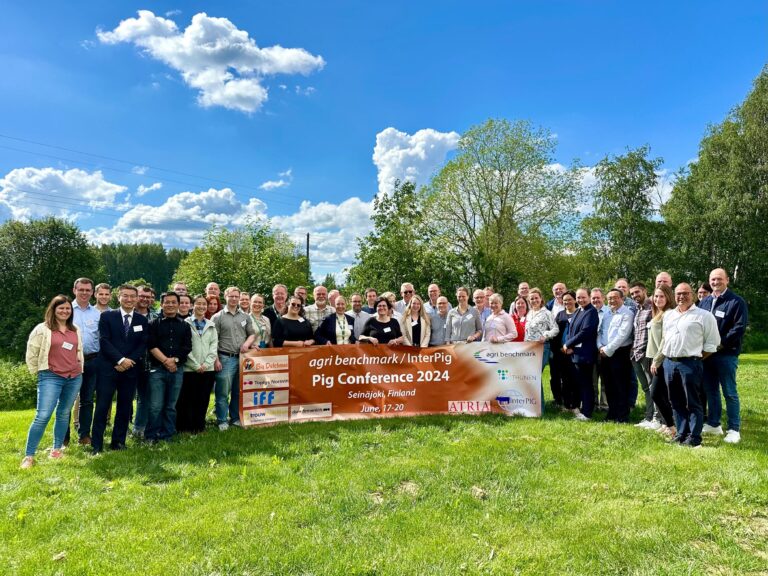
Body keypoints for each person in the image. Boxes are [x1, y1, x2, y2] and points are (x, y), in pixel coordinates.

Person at [20, 295, 84, 468]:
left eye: (68, 308)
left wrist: (79, 367)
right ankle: (29, 456)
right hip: (50, 376)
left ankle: (56, 450)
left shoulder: (75, 329)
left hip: (74, 377)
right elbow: (31, 352)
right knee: (43, 416)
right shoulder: (42, 329)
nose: (65, 311)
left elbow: (78, 351)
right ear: (53, 309)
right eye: (61, 308)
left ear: (71, 311)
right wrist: (39, 371)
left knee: (64, 414)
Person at [660, 283, 720, 447]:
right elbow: (665, 338)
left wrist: (695, 360)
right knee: (676, 401)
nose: (681, 296)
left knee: (692, 402)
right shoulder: (669, 315)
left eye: (685, 293)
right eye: (678, 293)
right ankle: (681, 434)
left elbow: (712, 344)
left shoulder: (704, 316)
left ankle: (694, 438)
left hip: (690, 363)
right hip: (670, 363)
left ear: (692, 295)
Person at [92, 284, 148, 454]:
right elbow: (104, 341)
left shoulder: (142, 320)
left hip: (130, 370)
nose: (129, 299)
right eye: (126, 296)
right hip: (108, 368)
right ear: (119, 297)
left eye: (132, 296)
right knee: (102, 407)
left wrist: (129, 361)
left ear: (137, 298)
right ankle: (97, 445)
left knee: (124, 408)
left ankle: (118, 443)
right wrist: (120, 359)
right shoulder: (107, 317)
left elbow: (142, 344)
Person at [699, 268, 748, 444]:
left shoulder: (736, 301)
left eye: (719, 279)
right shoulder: (704, 302)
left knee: (729, 392)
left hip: (726, 354)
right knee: (711, 391)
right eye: (712, 279)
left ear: (727, 280)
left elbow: (739, 327)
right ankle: (714, 424)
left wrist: (719, 344)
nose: (715, 282)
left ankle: (734, 429)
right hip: (706, 355)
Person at [146, 292, 192, 442]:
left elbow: (187, 347)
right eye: (167, 302)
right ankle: (152, 435)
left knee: (171, 406)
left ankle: (168, 435)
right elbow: (151, 346)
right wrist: (166, 361)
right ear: (162, 304)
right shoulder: (153, 323)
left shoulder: (185, 325)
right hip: (157, 370)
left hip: (177, 370)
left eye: (174, 302)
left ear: (178, 304)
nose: (170, 305)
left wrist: (175, 361)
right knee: (155, 406)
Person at [212, 287, 256, 430]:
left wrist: (247, 344)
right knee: (223, 392)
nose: (234, 299)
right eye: (231, 296)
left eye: (236, 296)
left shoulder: (245, 316)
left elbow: (252, 334)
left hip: (242, 359)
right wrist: (216, 360)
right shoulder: (218, 317)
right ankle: (222, 420)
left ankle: (235, 418)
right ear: (225, 297)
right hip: (225, 358)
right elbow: (213, 341)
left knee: (238, 391)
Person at [176, 295, 218, 433]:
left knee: (203, 398)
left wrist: (206, 364)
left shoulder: (211, 325)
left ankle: (199, 426)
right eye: (198, 304)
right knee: (187, 399)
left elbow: (214, 346)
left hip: (208, 369)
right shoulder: (185, 323)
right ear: (192, 305)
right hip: (189, 368)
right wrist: (195, 365)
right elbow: (184, 347)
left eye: (204, 304)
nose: (201, 307)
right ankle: (185, 427)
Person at [70, 278, 101, 447]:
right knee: (66, 401)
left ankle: (84, 435)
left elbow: (101, 338)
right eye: (81, 289)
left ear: (92, 292)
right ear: (74, 290)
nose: (84, 293)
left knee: (87, 400)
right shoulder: (66, 310)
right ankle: (63, 438)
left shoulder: (97, 314)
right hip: (69, 363)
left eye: (87, 290)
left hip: (92, 361)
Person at [599, 288, 635, 423]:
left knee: (621, 385)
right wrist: (600, 347)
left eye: (615, 298)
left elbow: (623, 334)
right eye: (609, 298)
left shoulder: (627, 313)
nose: (612, 301)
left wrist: (608, 349)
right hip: (604, 352)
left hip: (620, 353)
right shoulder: (607, 313)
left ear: (622, 299)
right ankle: (612, 413)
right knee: (608, 385)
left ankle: (622, 416)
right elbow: (600, 331)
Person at [563, 289, 599, 421]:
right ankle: (583, 410)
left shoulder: (591, 312)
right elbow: (571, 330)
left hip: (585, 354)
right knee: (581, 383)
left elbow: (586, 331)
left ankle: (587, 412)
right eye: (578, 297)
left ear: (589, 297)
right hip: (576, 353)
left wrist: (568, 344)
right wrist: (570, 345)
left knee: (586, 384)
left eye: (583, 297)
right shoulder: (579, 310)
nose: (581, 300)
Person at [647, 285, 676, 437]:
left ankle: (671, 426)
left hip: (662, 359)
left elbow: (666, 340)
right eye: (656, 296)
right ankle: (667, 423)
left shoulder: (669, 314)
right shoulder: (658, 313)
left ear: (668, 298)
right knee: (662, 394)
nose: (658, 299)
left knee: (655, 393)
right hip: (655, 358)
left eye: (662, 296)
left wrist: (656, 361)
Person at [629, 282, 657, 429]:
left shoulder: (653, 306)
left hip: (648, 353)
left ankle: (656, 418)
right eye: (632, 294)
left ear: (644, 291)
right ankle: (649, 416)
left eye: (637, 292)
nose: (634, 296)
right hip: (636, 354)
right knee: (646, 387)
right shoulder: (637, 309)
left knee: (653, 387)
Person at [552, 290, 578, 408]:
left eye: (569, 299)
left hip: (575, 352)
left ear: (575, 300)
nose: (567, 302)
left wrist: (572, 348)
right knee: (564, 379)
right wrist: (559, 348)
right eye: (565, 300)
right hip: (561, 352)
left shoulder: (580, 313)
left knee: (575, 379)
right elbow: (556, 333)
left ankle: (576, 404)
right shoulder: (560, 315)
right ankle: (566, 404)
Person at [524, 288, 558, 372]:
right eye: (532, 299)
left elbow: (555, 329)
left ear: (541, 299)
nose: (534, 300)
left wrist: (545, 335)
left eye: (536, 298)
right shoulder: (529, 313)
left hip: (542, 347)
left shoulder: (547, 313)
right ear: (529, 301)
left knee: (536, 373)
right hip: (529, 347)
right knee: (532, 375)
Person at [592, 288, 610, 411]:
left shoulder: (609, 311)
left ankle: (604, 405)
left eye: (598, 297)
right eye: (593, 298)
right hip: (591, 351)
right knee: (592, 380)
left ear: (603, 298)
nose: (595, 300)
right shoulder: (587, 312)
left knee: (605, 380)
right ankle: (594, 404)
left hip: (604, 350)